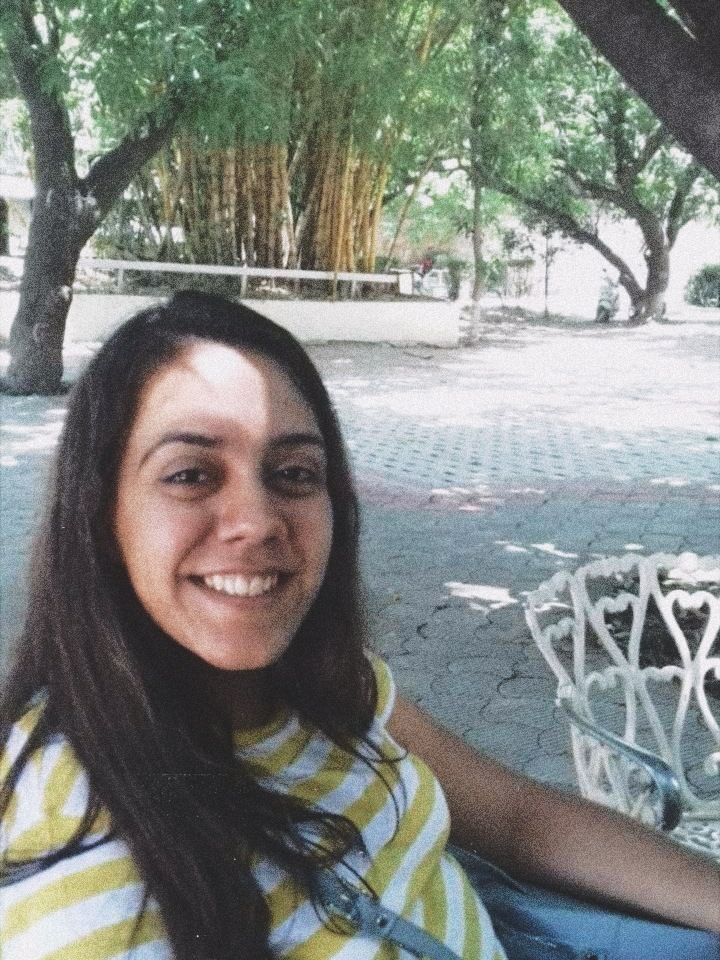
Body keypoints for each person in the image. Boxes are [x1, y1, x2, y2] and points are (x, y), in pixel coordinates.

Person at [0, 291, 718, 960]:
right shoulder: (82, 872)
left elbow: (517, 817)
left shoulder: (326, 683)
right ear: (100, 512)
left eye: (293, 473)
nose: (257, 521)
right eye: (191, 474)